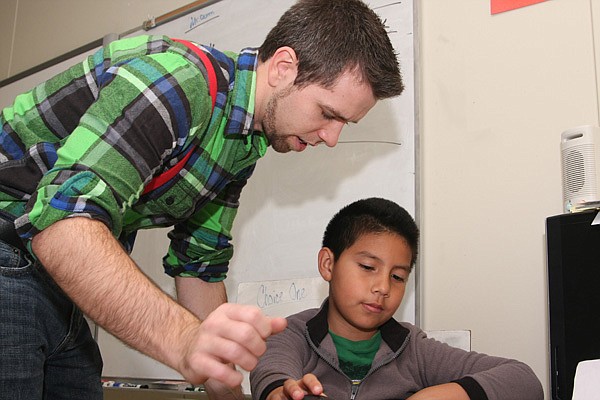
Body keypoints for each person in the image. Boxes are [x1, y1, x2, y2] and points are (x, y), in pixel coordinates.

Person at [0, 0, 403, 399]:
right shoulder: (178, 79)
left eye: (344, 124)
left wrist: (229, 392)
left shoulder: (244, 142)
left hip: (56, 286)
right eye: (328, 113)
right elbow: (63, 225)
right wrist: (184, 339)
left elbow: (199, 267)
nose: (331, 138)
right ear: (283, 68)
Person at [250, 198, 544, 400]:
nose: (382, 287)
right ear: (328, 264)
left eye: (398, 276)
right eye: (367, 267)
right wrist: (283, 391)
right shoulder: (290, 335)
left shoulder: (414, 350)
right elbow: (273, 375)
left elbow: (523, 380)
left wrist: (441, 394)